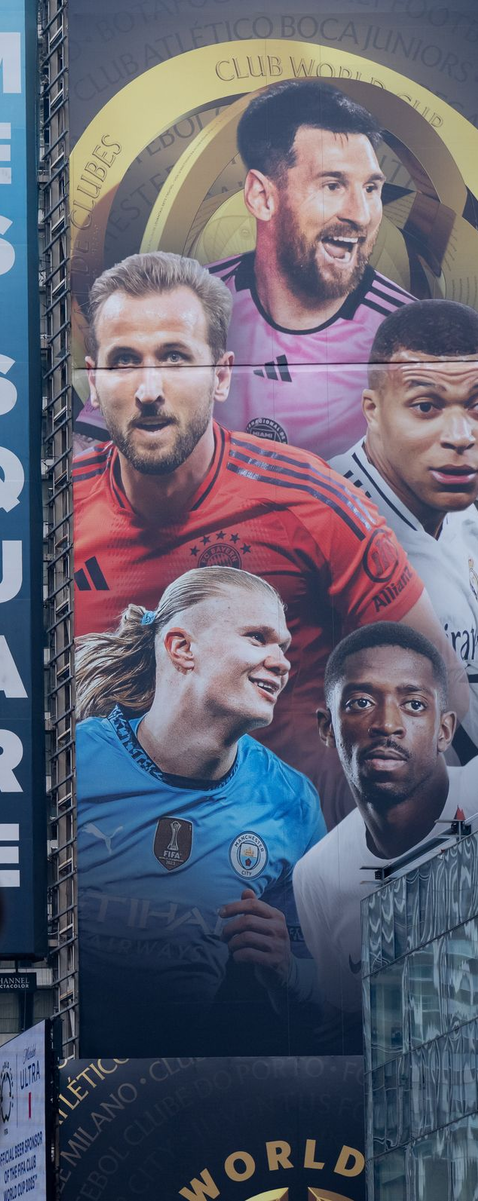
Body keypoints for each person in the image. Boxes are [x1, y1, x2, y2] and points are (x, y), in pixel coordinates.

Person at [72, 250, 463, 828]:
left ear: (223, 374)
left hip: (289, 873)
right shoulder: (49, 517)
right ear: (96, 379)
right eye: (125, 361)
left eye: (176, 360)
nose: (149, 389)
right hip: (103, 873)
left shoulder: (310, 501)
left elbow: (438, 679)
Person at [75, 566, 325, 1056]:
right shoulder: (71, 762)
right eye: (258, 638)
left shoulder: (291, 801)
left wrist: (289, 970)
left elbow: (331, 998)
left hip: (185, 1099)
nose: (280, 662)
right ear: (181, 648)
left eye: (284, 648)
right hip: (52, 1085)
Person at [206, 79, 415, 456]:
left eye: (370, 188)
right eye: (333, 185)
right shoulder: (188, 305)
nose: (361, 215)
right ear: (262, 197)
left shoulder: (408, 335)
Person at [294, 623, 475, 1042]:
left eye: (413, 704)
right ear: (326, 727)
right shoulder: (317, 876)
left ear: (444, 731)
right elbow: (351, 1019)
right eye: (360, 702)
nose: (387, 724)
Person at [329, 300, 478, 761]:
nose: (460, 436)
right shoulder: (326, 526)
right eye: (426, 406)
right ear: (372, 410)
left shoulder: (463, 512)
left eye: (476, 407)